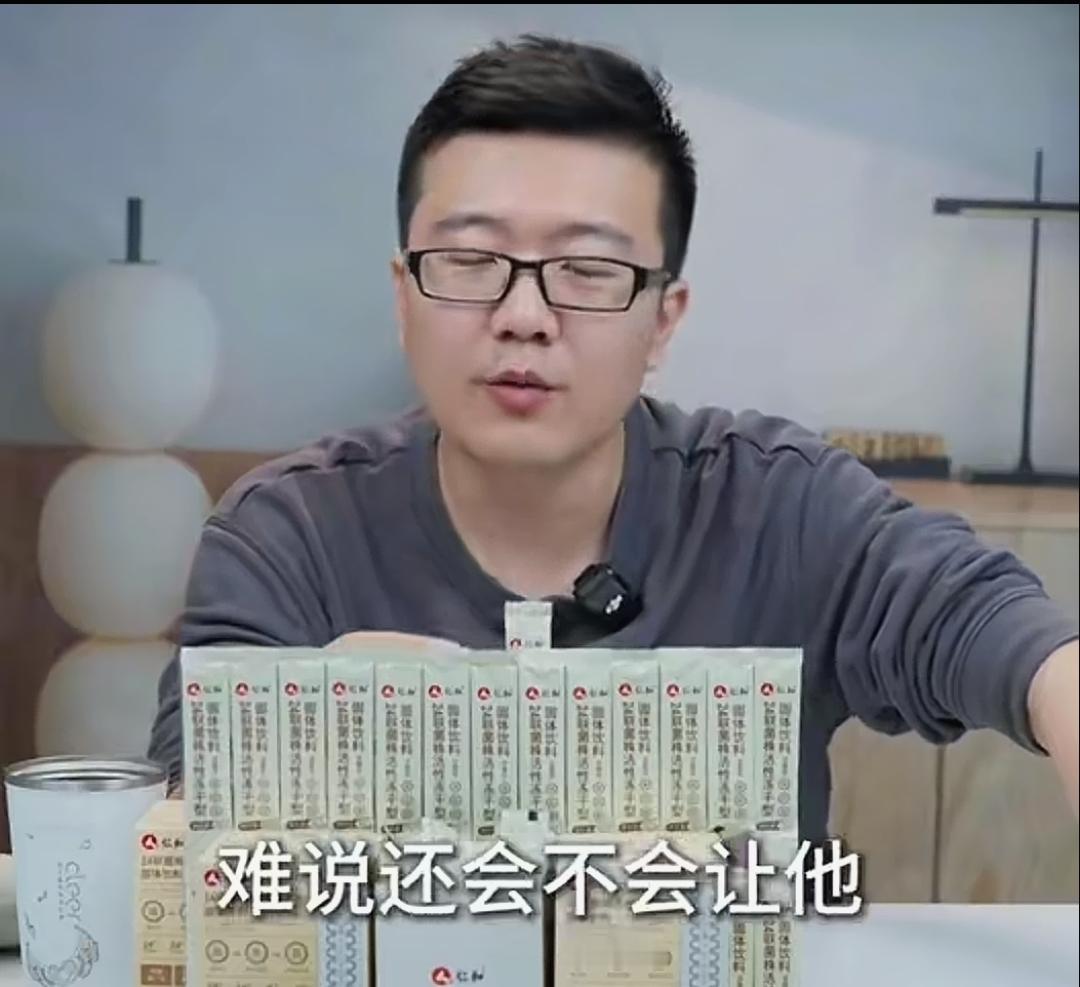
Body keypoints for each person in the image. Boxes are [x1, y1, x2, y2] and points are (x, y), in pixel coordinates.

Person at [148, 34, 1079, 850]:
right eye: (470, 260)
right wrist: (325, 734)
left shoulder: (775, 509)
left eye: (588, 269)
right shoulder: (288, 537)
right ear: (404, 295)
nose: (524, 315)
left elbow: (1005, 633)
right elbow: (188, 837)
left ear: (663, 320)